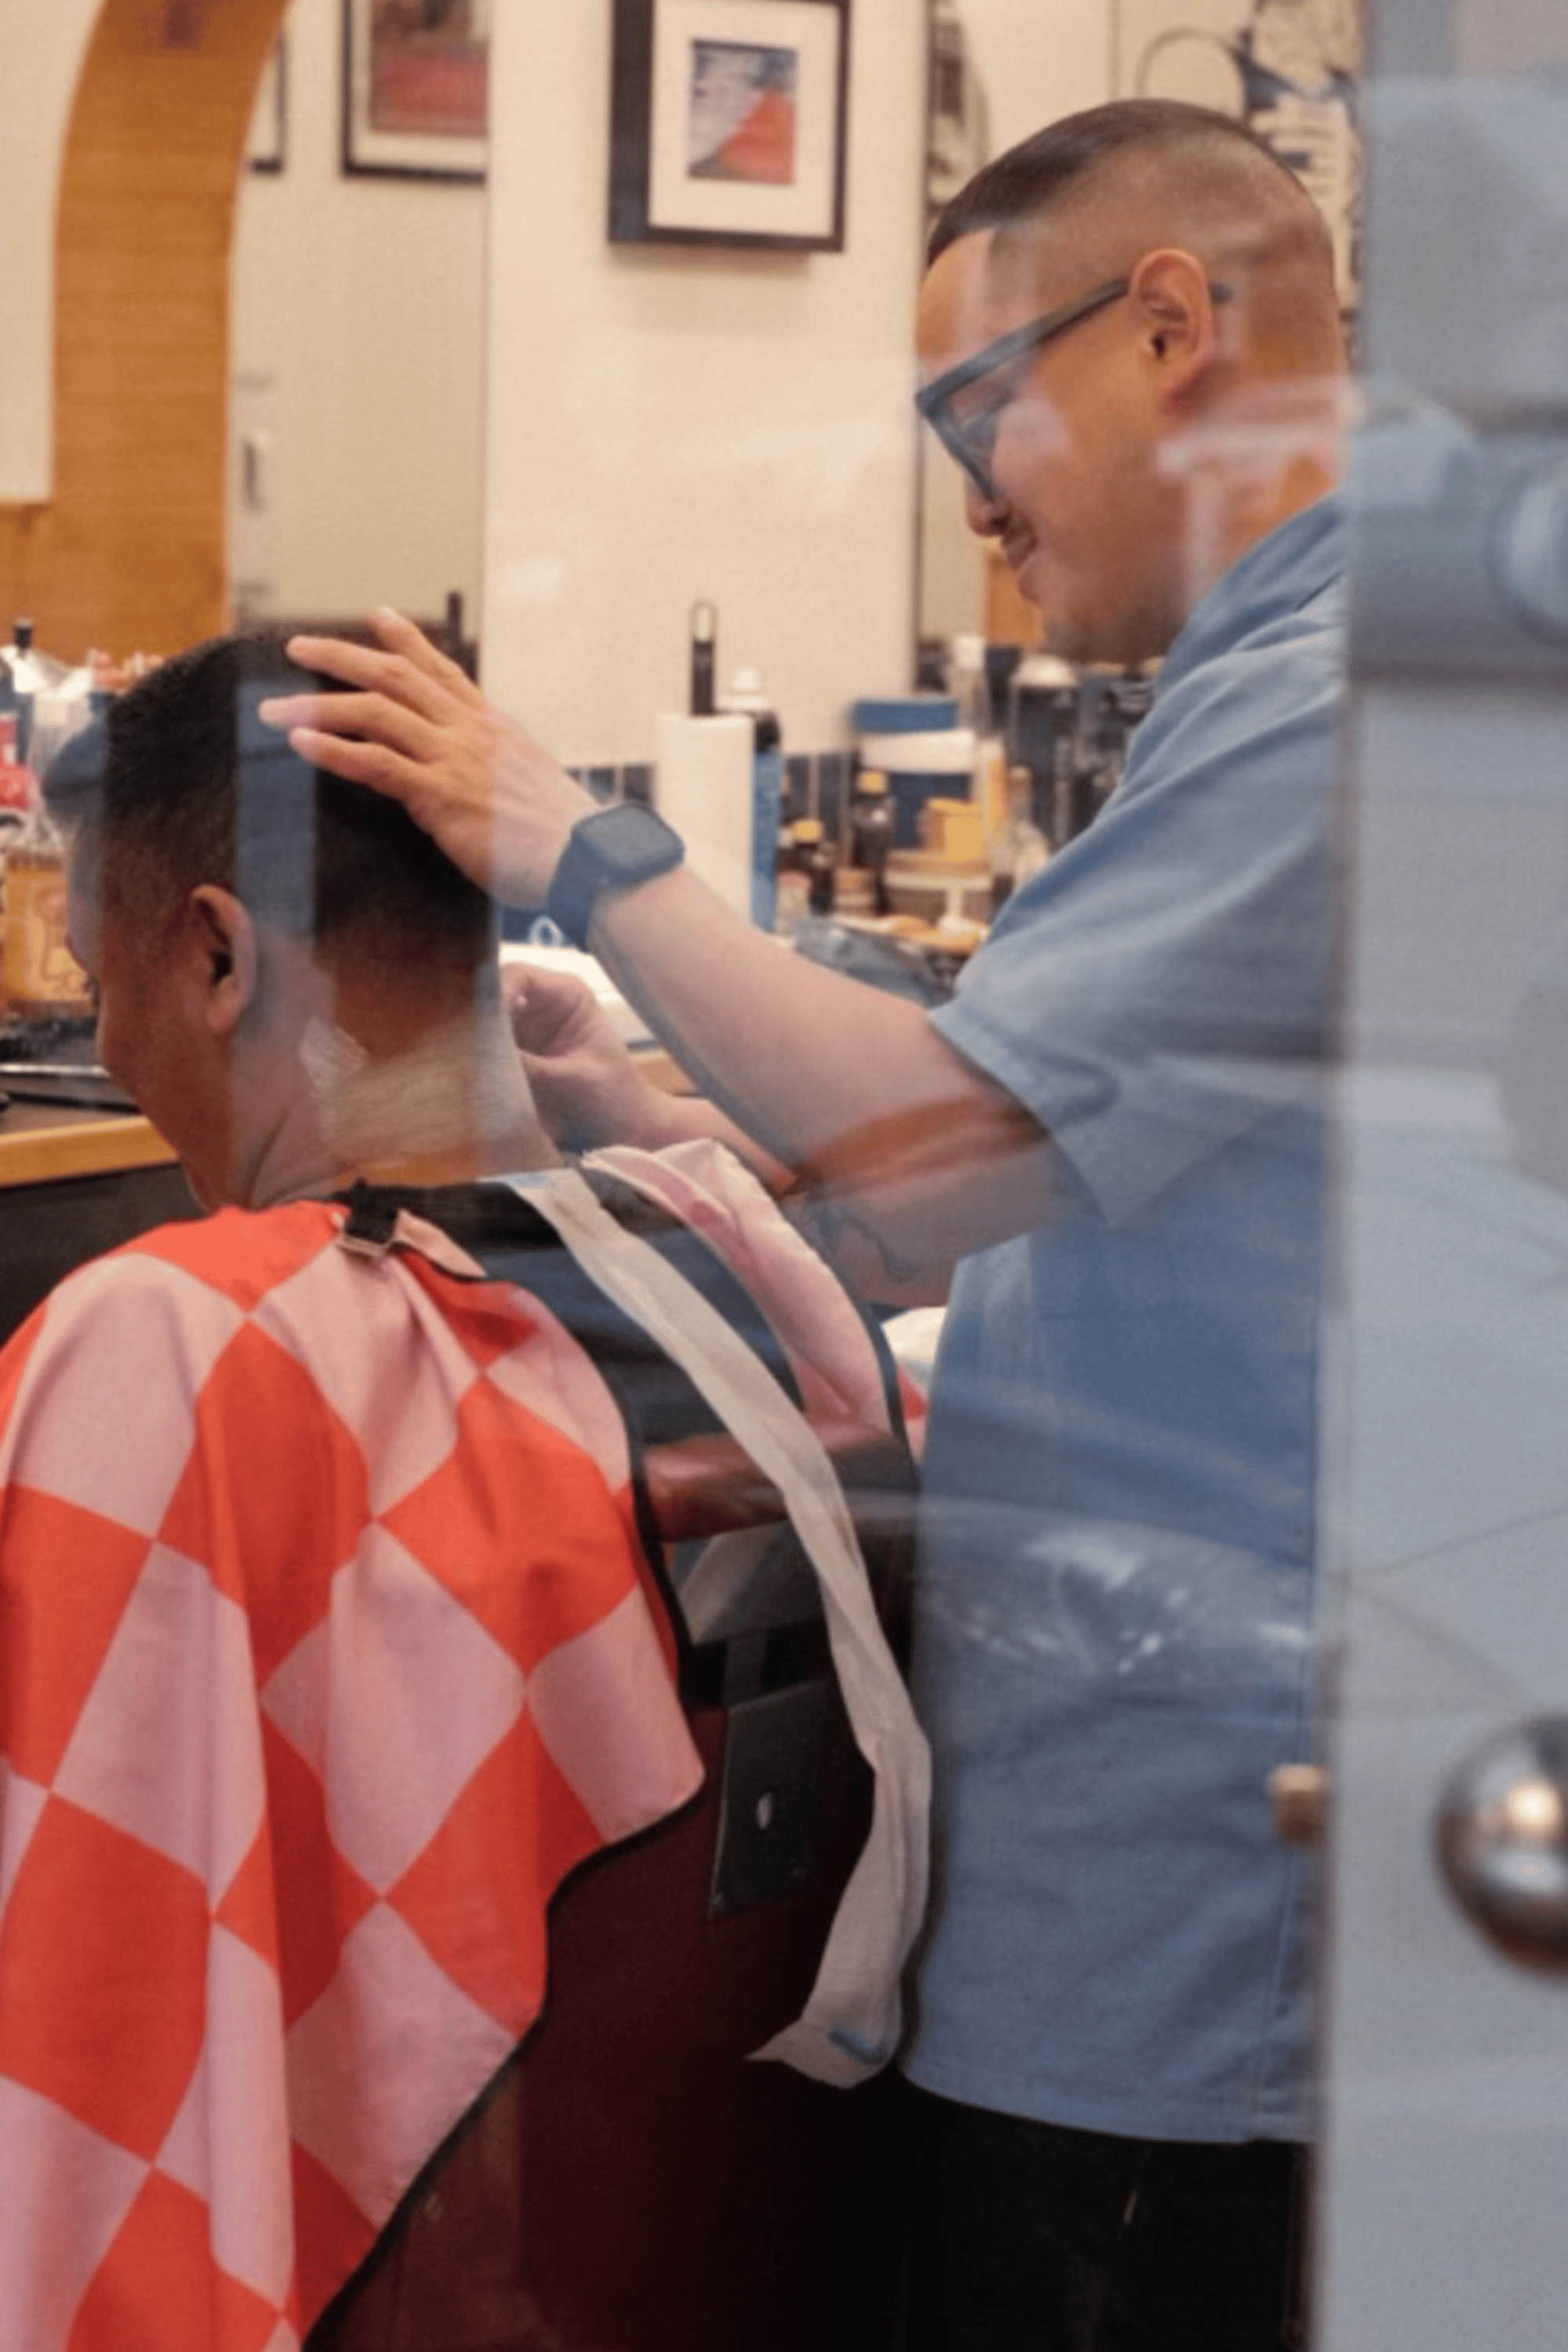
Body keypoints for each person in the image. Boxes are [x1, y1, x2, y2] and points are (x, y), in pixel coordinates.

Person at [260, 98, 1349, 2349]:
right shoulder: (1268, 692)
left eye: (980, 414)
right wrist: (638, 1098)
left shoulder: (1348, 709)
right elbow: (1031, 1194)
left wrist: (581, 846)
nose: (974, 503)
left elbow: (945, 1152)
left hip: (1212, 1929)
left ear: (1170, 329)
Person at [0, 633, 920, 2351]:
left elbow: (75, 1968)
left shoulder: (179, 1351)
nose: (105, 1039)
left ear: (214, 953)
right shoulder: (726, 1272)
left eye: (90, 971)